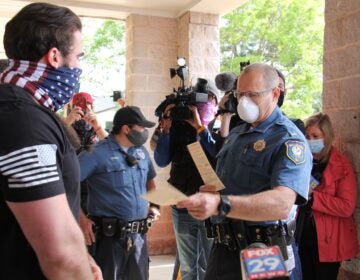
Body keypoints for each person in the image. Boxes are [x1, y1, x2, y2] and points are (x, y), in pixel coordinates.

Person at [177, 63, 312, 280]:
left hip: (263, 250)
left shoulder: (288, 139)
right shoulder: (237, 134)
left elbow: (282, 203)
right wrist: (213, 194)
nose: (244, 101)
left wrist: (222, 204)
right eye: (240, 94)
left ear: (275, 93)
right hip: (223, 248)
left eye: (252, 94)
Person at [0, 3, 101, 280]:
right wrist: (74, 263)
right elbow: (59, 255)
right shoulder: (23, 119)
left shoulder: (22, 108)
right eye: (78, 56)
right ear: (55, 56)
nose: (79, 67)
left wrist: (82, 256)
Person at [78, 105, 161, 280]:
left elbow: (150, 179)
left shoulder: (141, 152)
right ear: (126, 128)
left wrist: (154, 206)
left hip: (138, 237)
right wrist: (80, 218)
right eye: (141, 127)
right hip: (108, 240)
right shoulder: (96, 153)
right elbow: (64, 185)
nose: (145, 131)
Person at [153, 79, 218, 280]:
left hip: (211, 206)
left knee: (211, 262)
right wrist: (165, 129)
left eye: (206, 102)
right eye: (196, 104)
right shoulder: (176, 127)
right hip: (182, 204)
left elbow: (218, 153)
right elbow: (161, 160)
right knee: (189, 266)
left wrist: (200, 128)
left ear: (215, 103)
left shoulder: (222, 125)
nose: (200, 108)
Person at [295, 112, 358, 280]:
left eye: (315, 136)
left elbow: (346, 207)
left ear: (327, 137)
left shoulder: (341, 165)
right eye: (307, 136)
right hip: (302, 236)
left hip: (327, 242)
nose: (310, 140)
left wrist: (313, 197)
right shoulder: (302, 162)